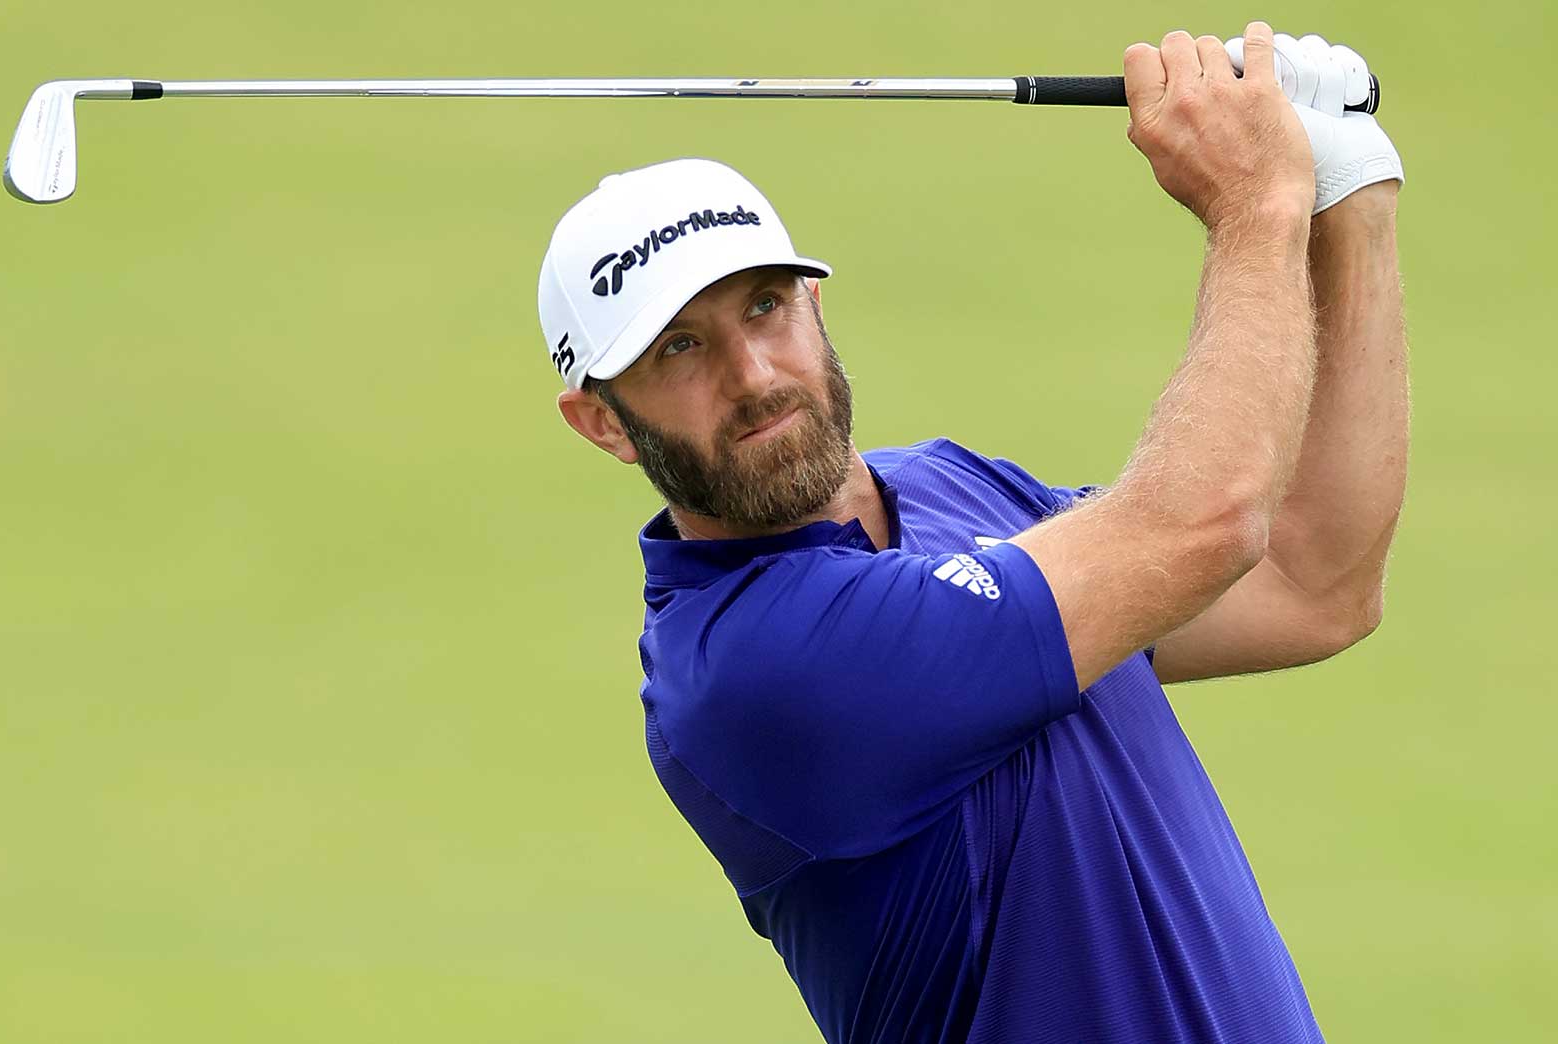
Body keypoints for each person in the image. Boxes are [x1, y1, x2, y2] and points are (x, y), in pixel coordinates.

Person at [536, 22, 1406, 1044]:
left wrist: (1347, 194)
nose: (754, 375)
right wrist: (1256, 205)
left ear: (813, 304)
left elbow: (1310, 583)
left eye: (764, 308)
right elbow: (1199, 526)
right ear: (601, 420)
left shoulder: (947, 489)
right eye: (680, 347)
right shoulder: (752, 669)